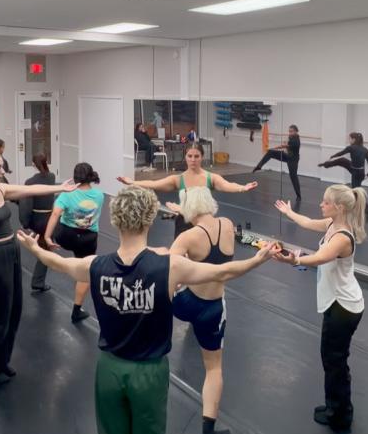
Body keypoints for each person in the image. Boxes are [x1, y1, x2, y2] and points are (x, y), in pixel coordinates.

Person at [15, 186, 278, 434]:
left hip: (109, 369)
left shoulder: (94, 266)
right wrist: (256, 259)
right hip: (149, 373)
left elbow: (59, 263)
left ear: (115, 219)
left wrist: (34, 248)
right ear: (150, 219)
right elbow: (222, 272)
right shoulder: (170, 267)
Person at [0, 152, 75, 385]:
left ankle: (2, 361)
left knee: (13, 311)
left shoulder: (0, 189)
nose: (2, 172)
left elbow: (30, 190)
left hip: (11, 253)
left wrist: (59, 188)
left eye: (2, 167)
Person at [272, 184, 368, 431]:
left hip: (344, 306)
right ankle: (334, 405)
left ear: (339, 207)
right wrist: (289, 212)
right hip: (337, 302)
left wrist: (294, 259)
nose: (321, 205)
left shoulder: (342, 237)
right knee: (331, 358)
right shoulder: (331, 225)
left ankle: (341, 414)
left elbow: (320, 257)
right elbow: (306, 222)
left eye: (326, 202)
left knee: (335, 360)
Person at [168, 187, 237, 434]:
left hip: (185, 303)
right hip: (212, 308)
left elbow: (169, 271)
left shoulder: (188, 237)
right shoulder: (228, 225)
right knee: (214, 369)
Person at [117, 143, 258, 237]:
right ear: (185, 157)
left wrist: (242, 188)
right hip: (183, 225)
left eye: (196, 156)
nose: (193, 160)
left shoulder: (211, 178)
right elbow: (154, 183)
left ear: (202, 157)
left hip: (204, 224)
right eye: (190, 156)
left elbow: (227, 185)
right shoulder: (178, 179)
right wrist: (133, 182)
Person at [44, 162, 105, 323]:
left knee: (56, 216)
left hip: (66, 237)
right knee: (84, 273)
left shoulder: (66, 194)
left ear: (75, 176)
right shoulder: (99, 195)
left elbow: (56, 213)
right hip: (87, 238)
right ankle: (76, 310)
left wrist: (48, 238)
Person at [19, 154, 56, 292]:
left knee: (43, 250)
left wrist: (25, 223)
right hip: (49, 219)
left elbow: (26, 205)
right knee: (45, 248)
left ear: (33, 165)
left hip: (37, 220)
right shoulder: (52, 177)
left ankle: (38, 281)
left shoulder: (30, 182)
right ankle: (38, 281)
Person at [320, 132, 368, 213]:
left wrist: (332, 156)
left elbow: (341, 153)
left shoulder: (351, 148)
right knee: (342, 161)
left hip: (355, 172)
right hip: (360, 172)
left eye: (350, 139)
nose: (349, 140)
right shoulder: (365, 150)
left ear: (354, 139)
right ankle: (326, 164)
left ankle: (365, 207)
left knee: (356, 190)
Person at [252, 124, 302, 201]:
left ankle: (298, 196)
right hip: (287, 156)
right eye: (289, 131)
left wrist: (277, 147)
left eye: (291, 131)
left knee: (293, 177)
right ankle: (259, 166)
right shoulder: (291, 137)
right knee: (271, 152)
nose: (290, 133)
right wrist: (276, 148)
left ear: (296, 131)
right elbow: (286, 147)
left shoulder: (296, 140)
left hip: (293, 160)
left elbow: (285, 146)